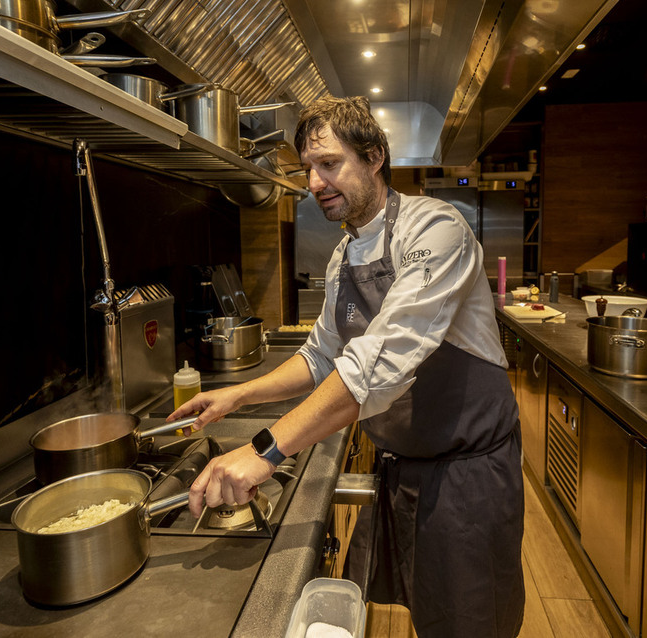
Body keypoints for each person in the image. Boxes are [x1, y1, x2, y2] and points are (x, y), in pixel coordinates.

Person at [167, 96, 524, 637]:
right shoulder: (344, 255)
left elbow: (376, 362)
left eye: (329, 164)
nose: (313, 182)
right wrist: (238, 395)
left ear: (374, 156)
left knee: (469, 623)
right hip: (402, 466)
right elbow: (320, 357)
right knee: (427, 617)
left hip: (465, 474)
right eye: (308, 168)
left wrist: (267, 448)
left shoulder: (436, 230)